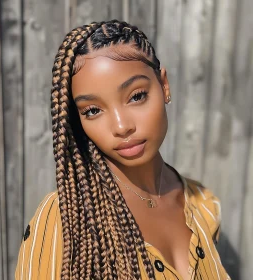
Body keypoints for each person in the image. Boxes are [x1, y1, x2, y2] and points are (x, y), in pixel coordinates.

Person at [15, 20, 230, 280]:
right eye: (93, 110)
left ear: (164, 86)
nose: (121, 126)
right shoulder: (65, 219)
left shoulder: (203, 204)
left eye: (136, 96)